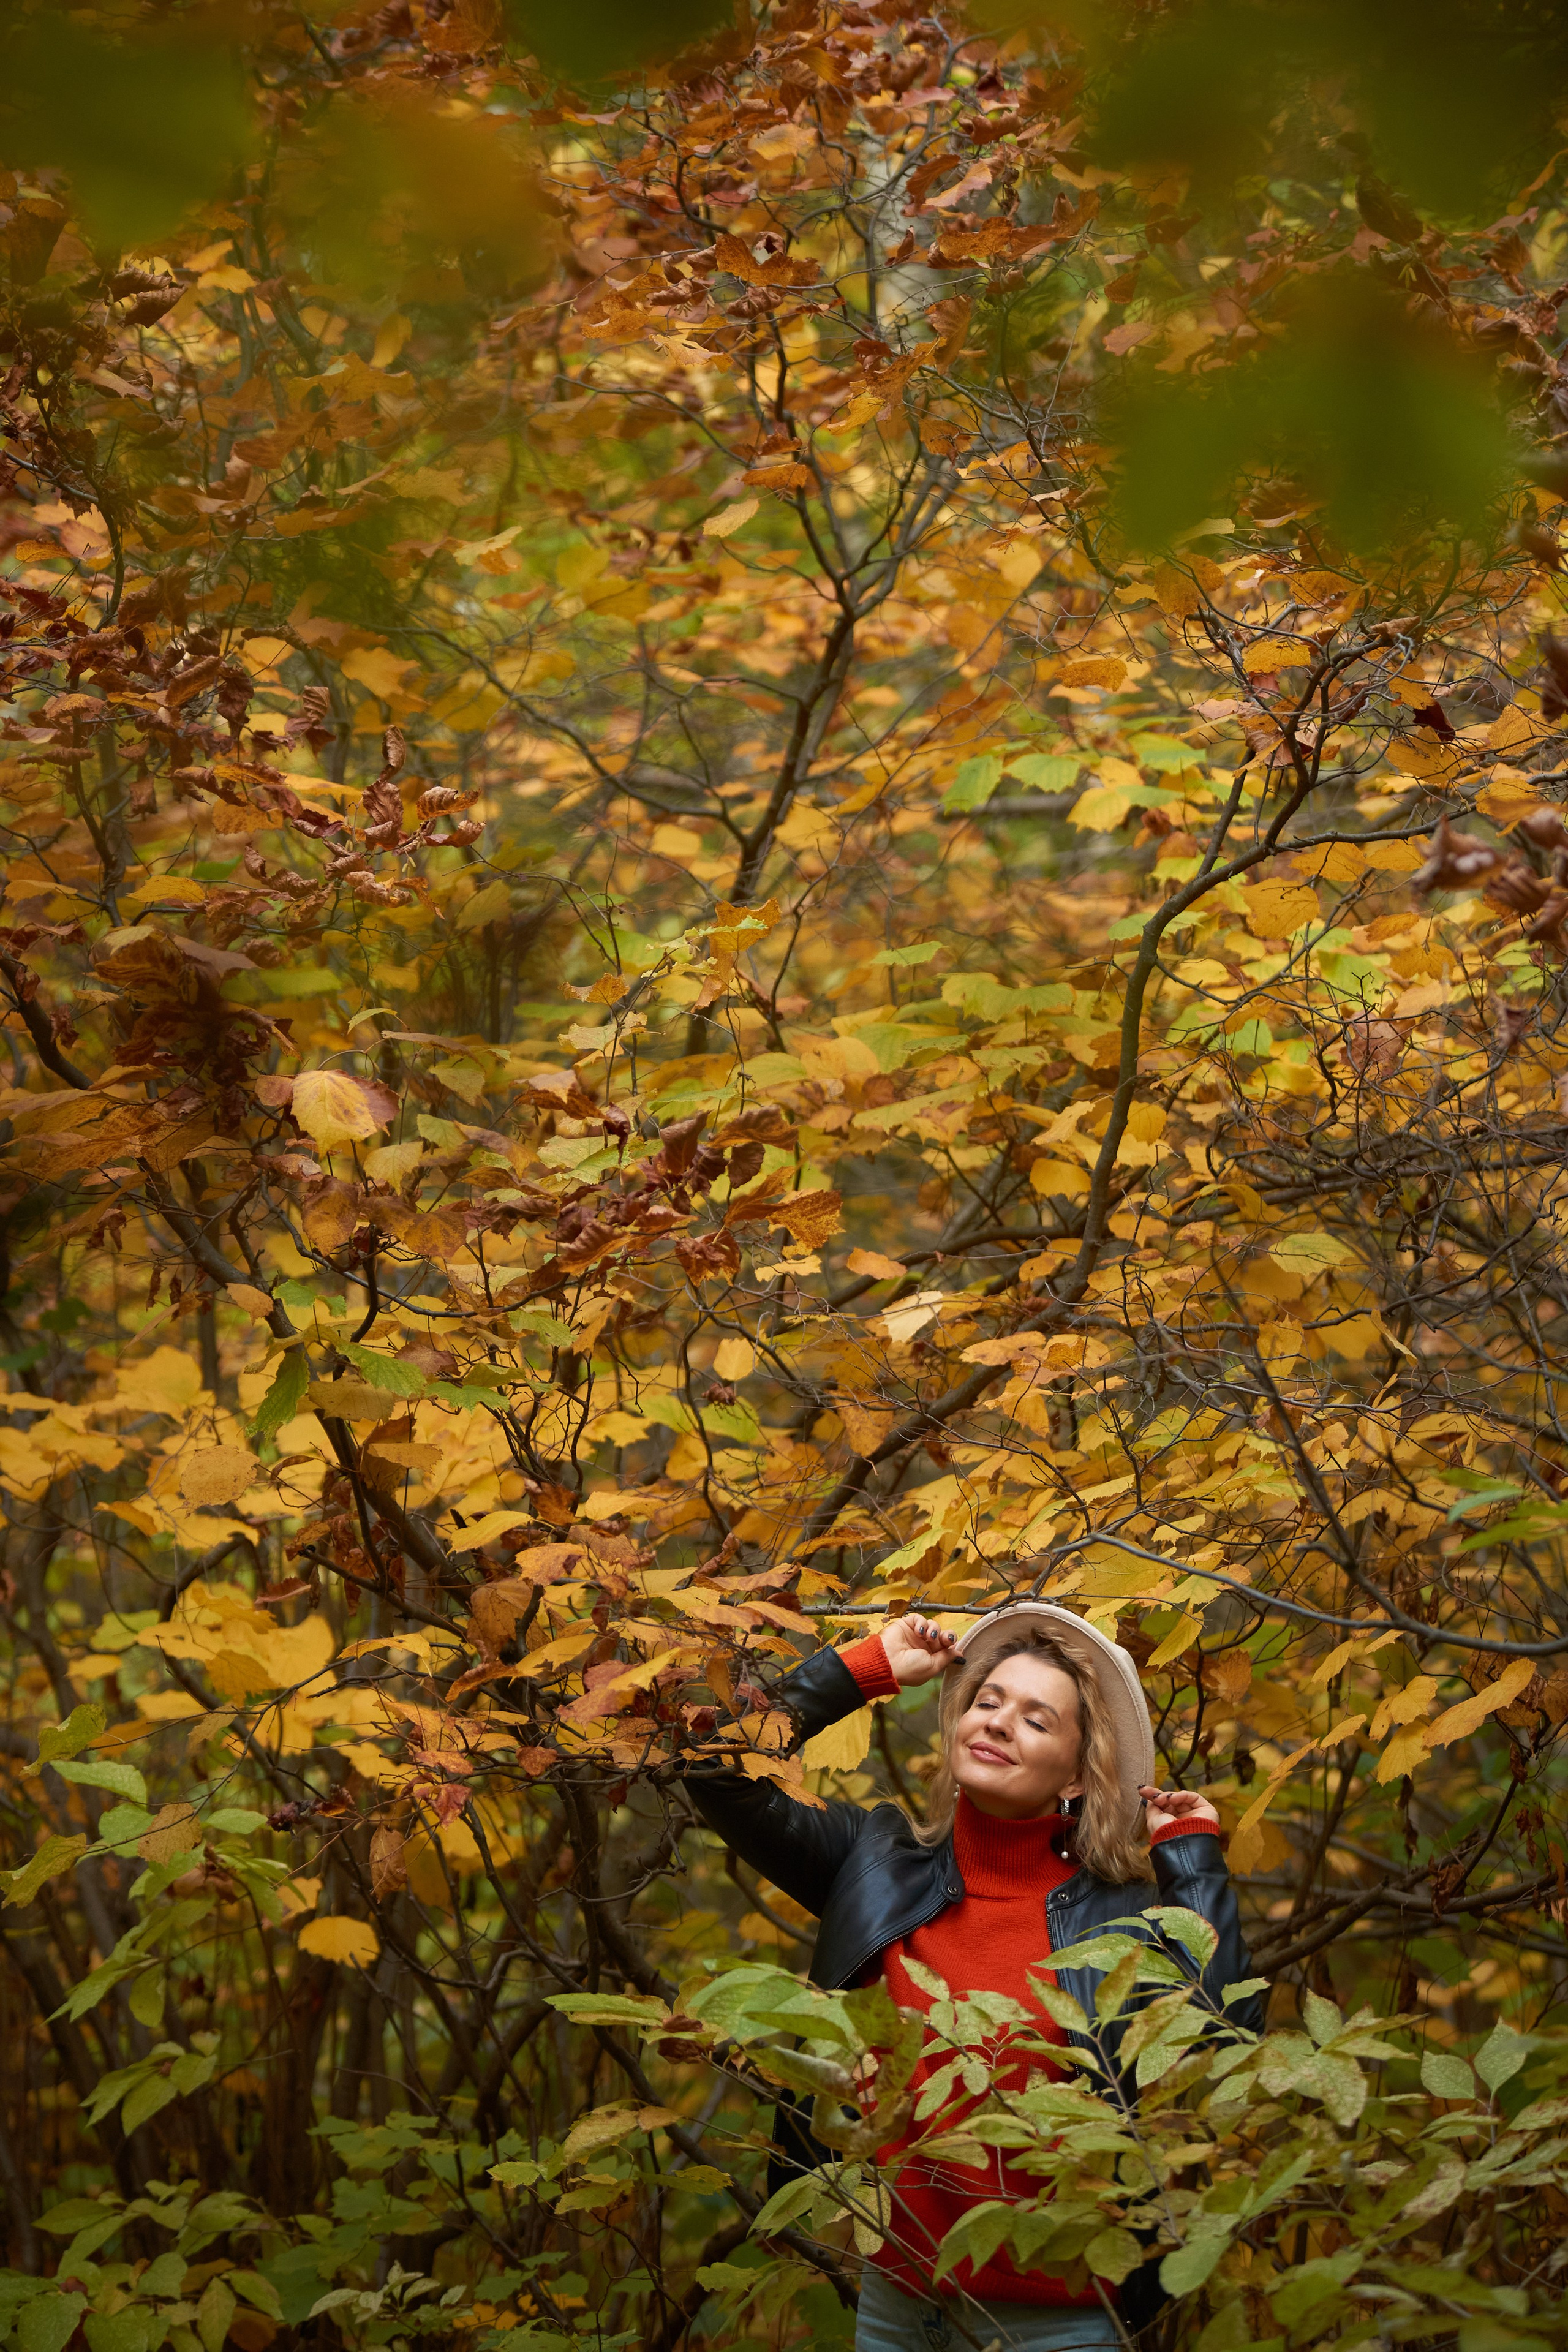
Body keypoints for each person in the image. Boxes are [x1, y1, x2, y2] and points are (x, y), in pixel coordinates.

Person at [685, 1600, 1264, 2352]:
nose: (994, 1722)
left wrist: (1189, 1859)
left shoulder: (1118, 1920)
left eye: (1034, 1719)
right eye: (986, 1702)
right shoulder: (875, 1865)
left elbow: (1224, 2038)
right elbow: (713, 1767)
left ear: (1078, 1778)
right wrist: (864, 1670)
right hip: (895, 2303)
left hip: (1065, 2321)